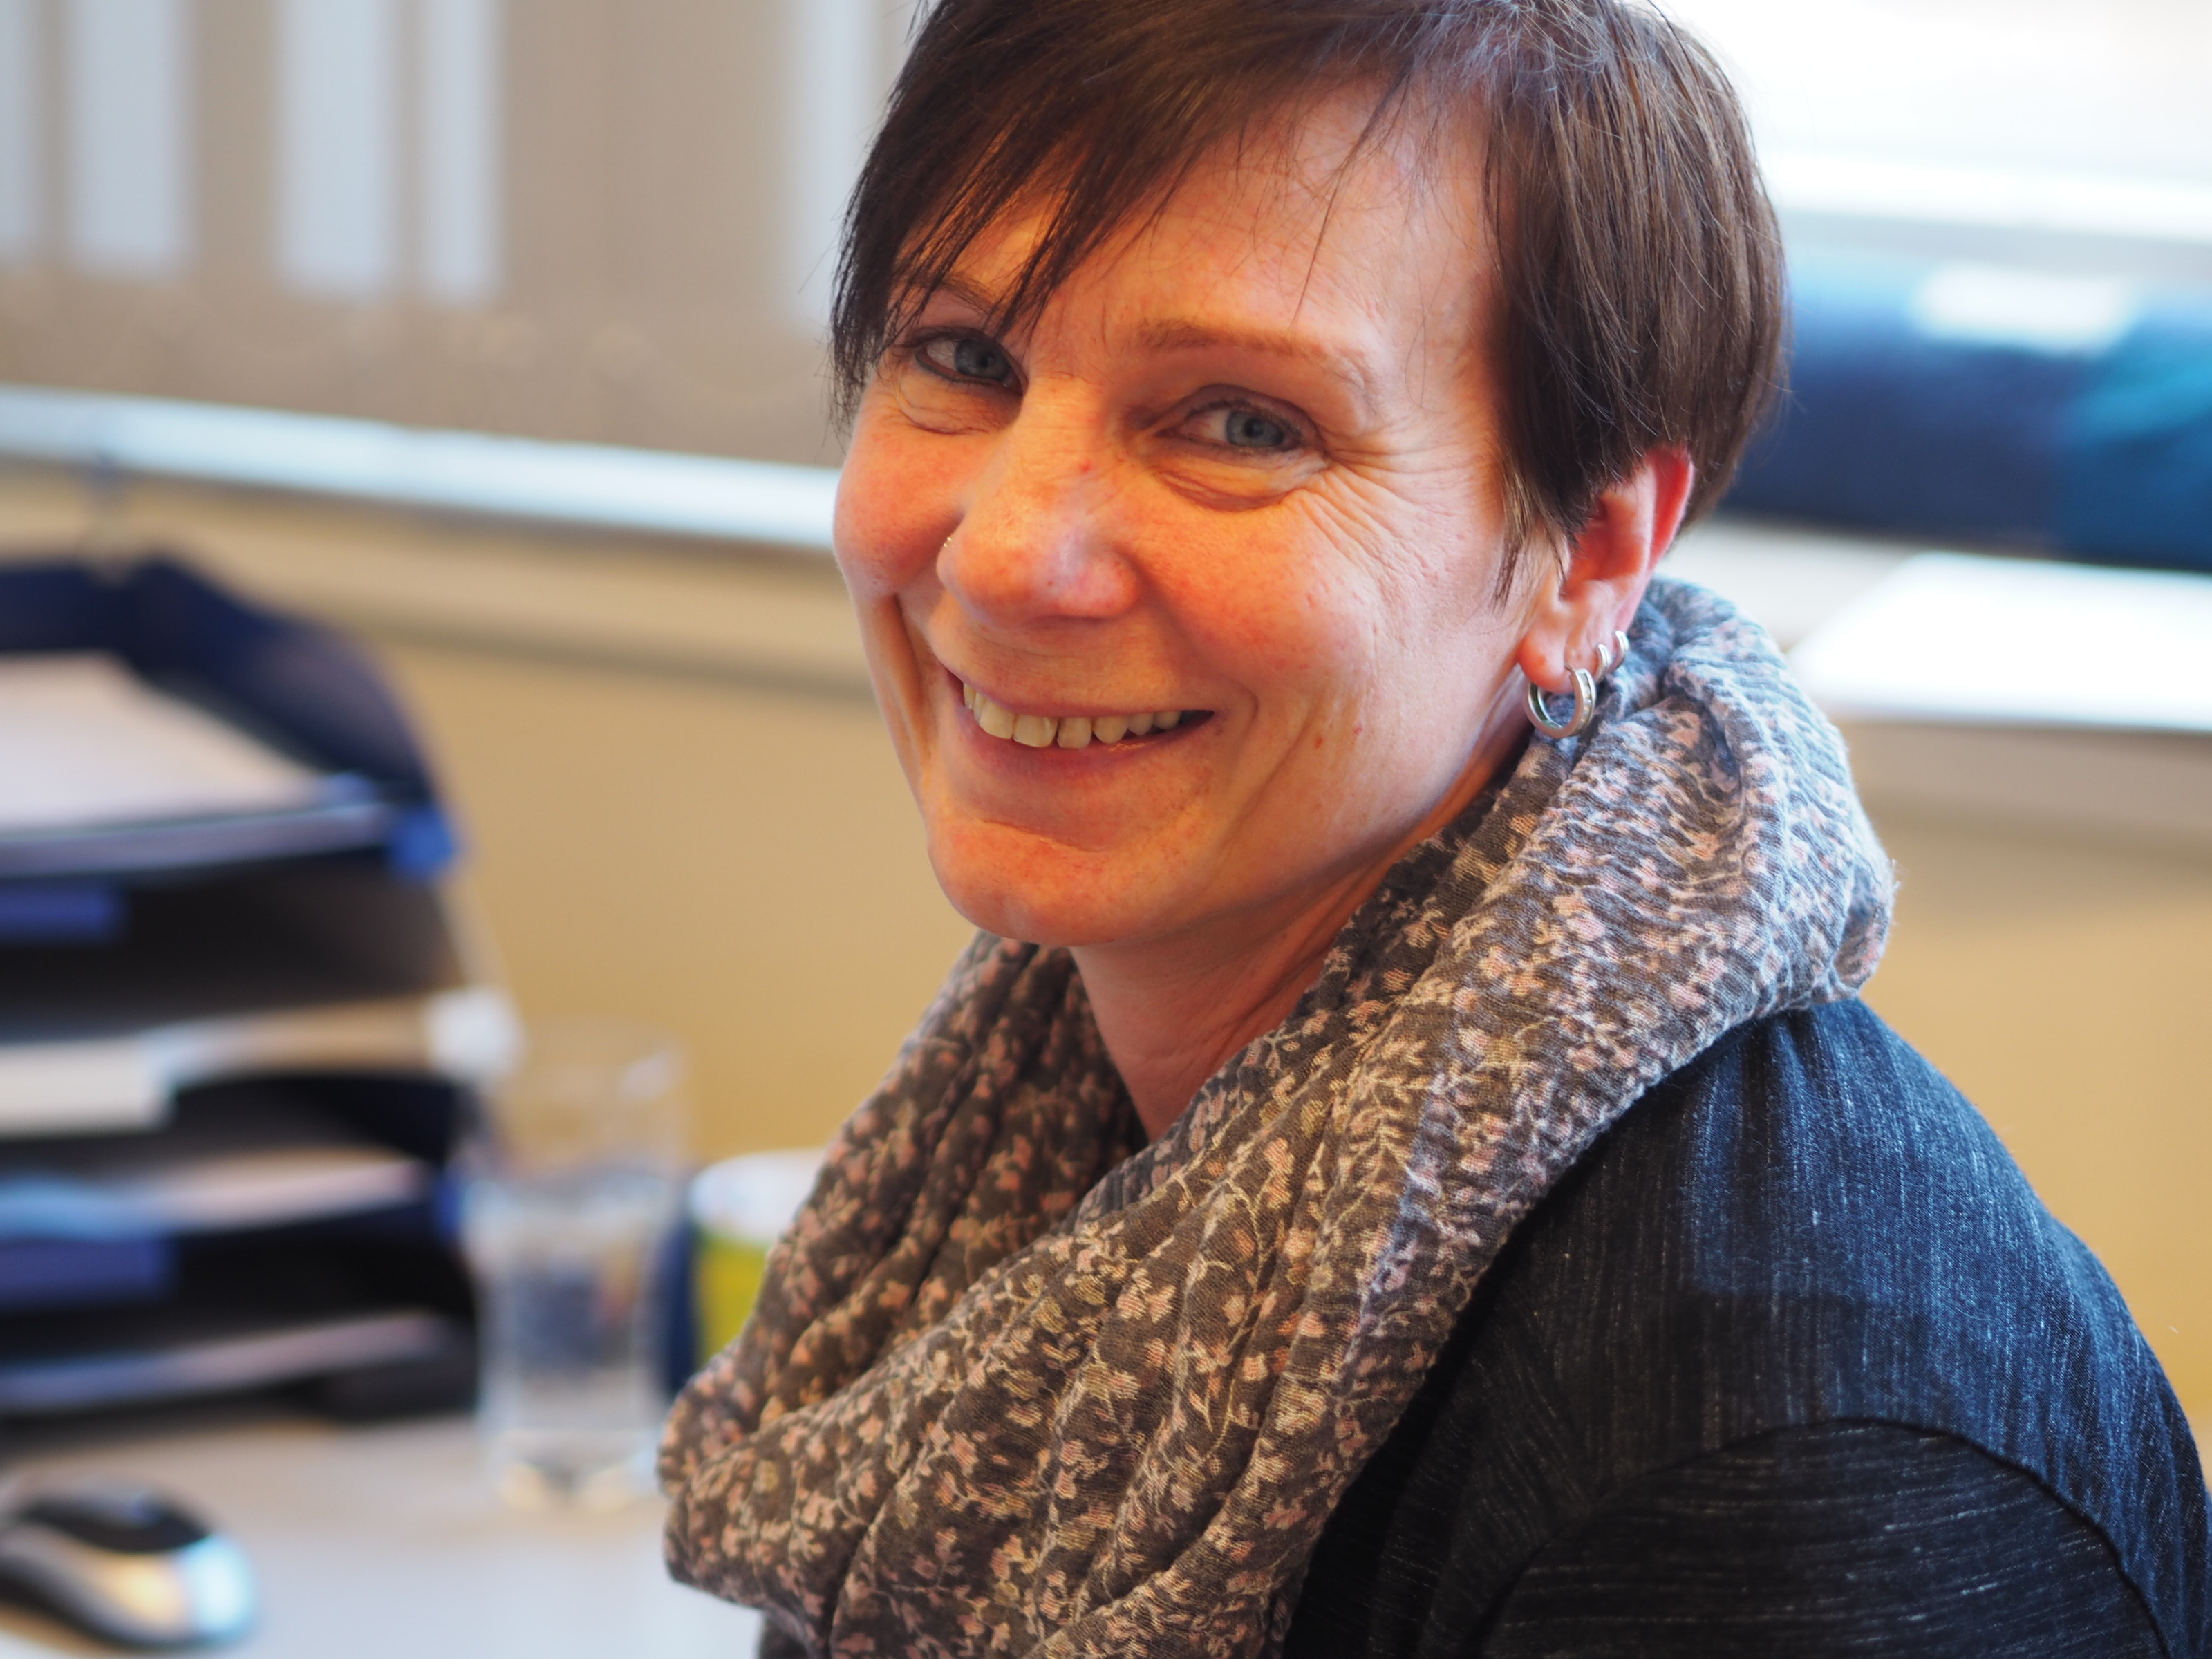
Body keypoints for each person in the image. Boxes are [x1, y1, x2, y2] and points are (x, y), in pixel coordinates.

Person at [659, 1, 2212, 1654]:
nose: (1003, 557)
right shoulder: (1033, 1144)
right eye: (964, 359)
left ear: (1587, 557)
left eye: (1242, 423)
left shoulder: (1773, 1473)